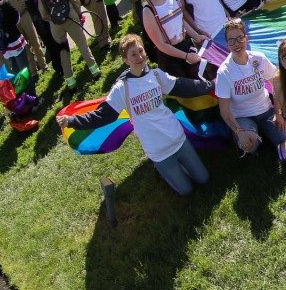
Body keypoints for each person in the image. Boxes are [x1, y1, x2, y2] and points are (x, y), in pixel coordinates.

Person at [57, 34, 213, 195]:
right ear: (126, 60)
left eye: (141, 51)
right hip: (158, 150)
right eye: (133, 54)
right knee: (186, 190)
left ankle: (179, 169)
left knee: (204, 178)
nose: (139, 57)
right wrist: (71, 121)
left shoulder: (156, 75)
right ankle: (163, 171)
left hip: (178, 139)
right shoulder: (122, 88)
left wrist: (210, 85)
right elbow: (102, 116)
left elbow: (183, 86)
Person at [215, 19, 286, 159]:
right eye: (231, 41)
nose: (237, 44)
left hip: (266, 110)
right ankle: (252, 138)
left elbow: (276, 83)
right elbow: (224, 111)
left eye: (240, 38)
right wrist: (239, 132)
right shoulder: (224, 72)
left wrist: (278, 113)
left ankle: (272, 136)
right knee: (250, 145)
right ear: (227, 44)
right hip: (242, 116)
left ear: (246, 38)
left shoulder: (259, 58)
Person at [38, 0, 99, 87]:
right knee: (82, 44)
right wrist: (78, 13)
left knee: (63, 51)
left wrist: (51, 19)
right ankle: (95, 72)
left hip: (55, 23)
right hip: (70, 16)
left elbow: (42, 11)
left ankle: (70, 83)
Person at [141, 0, 206, 79]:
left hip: (186, 46)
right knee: (188, 89)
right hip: (170, 59)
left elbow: (181, 21)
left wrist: (197, 36)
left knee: (202, 81)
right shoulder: (148, 10)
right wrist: (186, 56)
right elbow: (161, 45)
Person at [0, 0, 47, 75]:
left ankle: (44, 66)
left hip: (25, 15)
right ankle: (33, 72)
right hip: (14, 22)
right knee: (24, 47)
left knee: (35, 41)